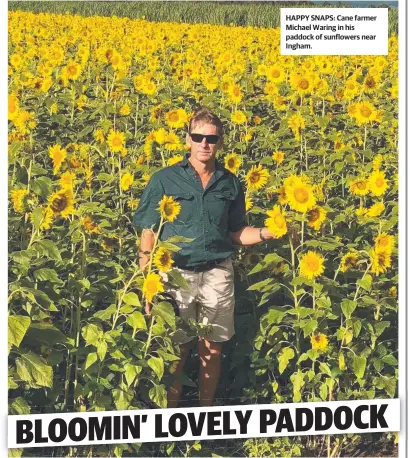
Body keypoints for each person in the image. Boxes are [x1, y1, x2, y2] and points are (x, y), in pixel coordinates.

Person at [133, 107, 276, 408]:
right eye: (198, 137)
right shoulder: (164, 179)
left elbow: (236, 232)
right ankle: (168, 415)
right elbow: (148, 232)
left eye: (211, 138)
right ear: (187, 140)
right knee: (176, 349)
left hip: (216, 273)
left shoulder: (230, 183)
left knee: (212, 350)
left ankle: (205, 414)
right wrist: (147, 282)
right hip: (174, 274)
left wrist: (265, 232)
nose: (204, 144)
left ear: (220, 142)